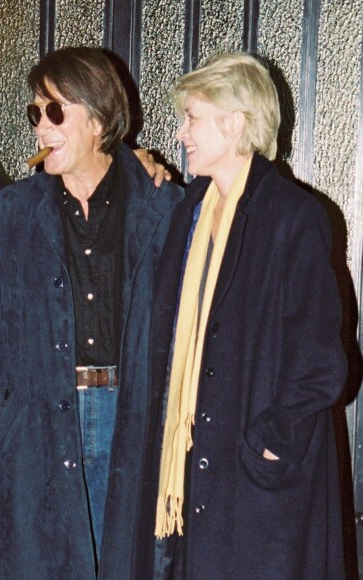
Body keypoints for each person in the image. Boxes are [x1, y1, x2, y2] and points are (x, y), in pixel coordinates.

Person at [0, 46, 184, 578]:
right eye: (35, 113)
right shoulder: (11, 212)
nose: (41, 127)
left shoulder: (164, 207)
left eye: (55, 111)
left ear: (100, 118)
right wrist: (8, 422)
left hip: (134, 419)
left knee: (133, 564)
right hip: (39, 422)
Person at [146, 52, 347, 578]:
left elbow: (322, 362)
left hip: (261, 483)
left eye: (193, 117)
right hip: (203, 476)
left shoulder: (294, 217)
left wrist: (270, 444)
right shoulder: (191, 210)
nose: (182, 131)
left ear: (233, 123)